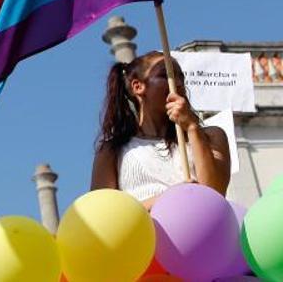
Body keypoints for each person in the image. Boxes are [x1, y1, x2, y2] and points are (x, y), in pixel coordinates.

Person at [90, 50, 231, 206]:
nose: (177, 82)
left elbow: (215, 194)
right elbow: (105, 216)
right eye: (165, 75)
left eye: (180, 77)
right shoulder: (112, 151)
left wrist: (192, 128)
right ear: (138, 86)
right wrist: (171, 197)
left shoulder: (212, 136)